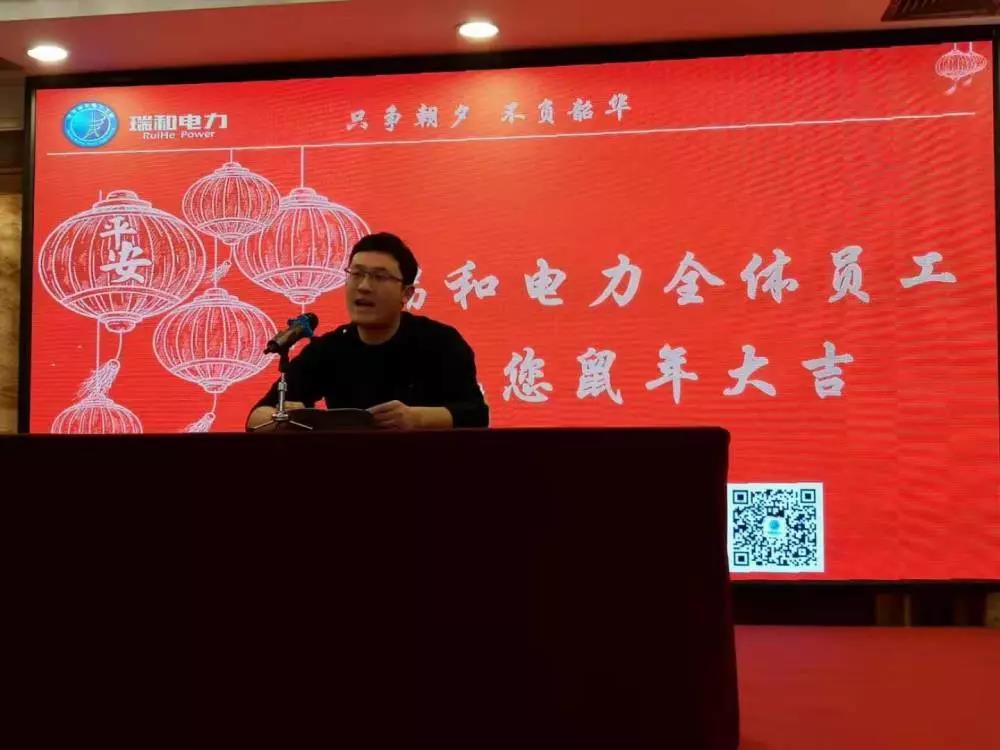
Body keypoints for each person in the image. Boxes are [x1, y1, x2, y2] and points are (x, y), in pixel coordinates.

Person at [246, 232, 489, 431]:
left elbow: (476, 415)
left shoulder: (440, 342)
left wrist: (417, 419)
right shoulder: (329, 349)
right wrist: (285, 418)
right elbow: (256, 418)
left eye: (379, 277)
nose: (363, 286)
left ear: (406, 294)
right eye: (357, 274)